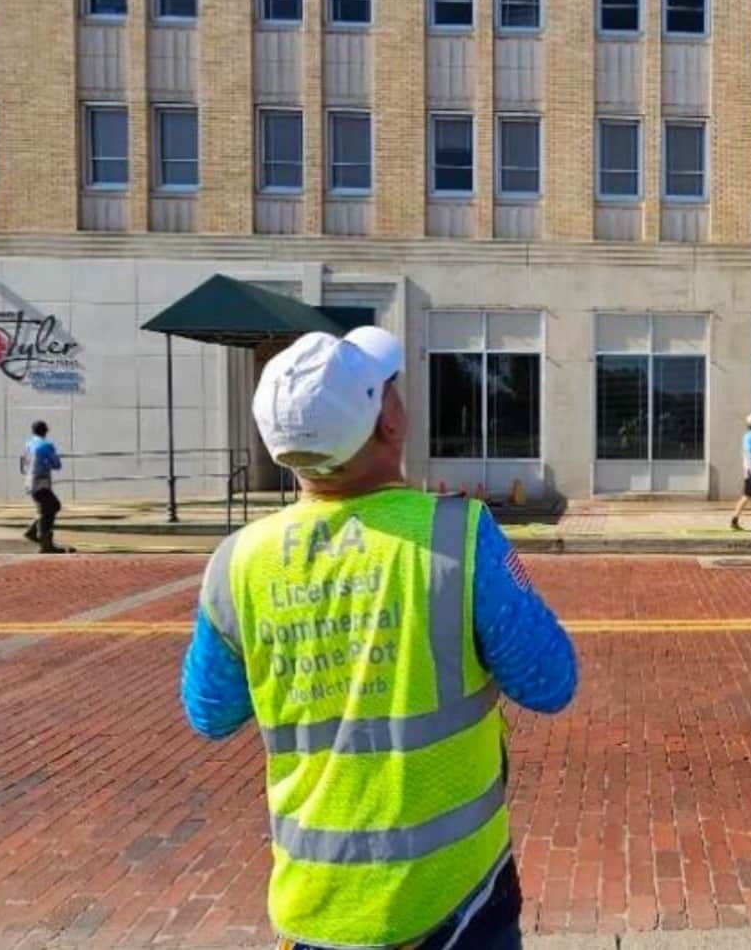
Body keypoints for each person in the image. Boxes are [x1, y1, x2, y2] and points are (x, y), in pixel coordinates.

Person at [180, 328, 578, 950]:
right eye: (390, 389)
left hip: (316, 908)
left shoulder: (239, 562)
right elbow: (552, 682)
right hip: (456, 900)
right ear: (388, 423)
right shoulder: (458, 534)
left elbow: (210, 713)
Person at [19, 421, 68, 555]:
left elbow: (23, 462)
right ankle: (44, 543)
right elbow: (56, 464)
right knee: (49, 508)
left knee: (51, 507)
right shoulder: (46, 445)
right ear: (46, 431)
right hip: (41, 482)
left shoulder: (28, 444)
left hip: (30, 481)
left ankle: (33, 532)